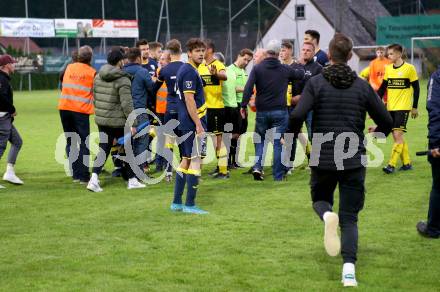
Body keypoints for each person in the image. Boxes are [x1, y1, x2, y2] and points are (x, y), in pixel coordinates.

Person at [290, 33, 393, 287]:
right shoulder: (361, 85)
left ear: (328, 53)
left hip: (323, 156)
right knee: (350, 218)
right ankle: (349, 271)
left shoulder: (315, 83)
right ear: (350, 56)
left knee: (320, 201)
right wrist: (377, 134)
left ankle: (326, 217)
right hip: (353, 158)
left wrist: (291, 137)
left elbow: (297, 115)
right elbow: (387, 121)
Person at [241, 40, 304, 181]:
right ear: (278, 52)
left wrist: (243, 105)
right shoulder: (285, 69)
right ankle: (278, 176)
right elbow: (300, 74)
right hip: (280, 112)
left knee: (260, 140)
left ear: (267, 51)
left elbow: (248, 88)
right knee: (277, 143)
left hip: (262, 111)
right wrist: (299, 65)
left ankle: (258, 167)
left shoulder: (257, 68)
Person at [87, 47, 145, 192]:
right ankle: (132, 180)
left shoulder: (98, 76)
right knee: (128, 148)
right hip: (118, 122)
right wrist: (133, 122)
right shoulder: (123, 79)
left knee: (104, 149)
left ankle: (93, 179)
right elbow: (127, 104)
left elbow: (95, 97)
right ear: (120, 61)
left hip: (102, 120)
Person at [171, 38, 208, 214]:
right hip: (192, 123)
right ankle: (190, 205)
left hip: (186, 122)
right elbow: (189, 99)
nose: (201, 53)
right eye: (197, 51)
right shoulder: (189, 72)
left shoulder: (187, 70)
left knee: (185, 159)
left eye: (203, 50)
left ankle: (177, 202)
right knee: (195, 160)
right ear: (189, 53)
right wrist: (199, 124)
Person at [377, 44, 420, 174]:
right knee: (398, 137)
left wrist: (414, 107)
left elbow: (417, 89)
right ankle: (407, 163)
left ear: (399, 54)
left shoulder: (409, 69)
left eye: (390, 54)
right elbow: (383, 88)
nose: (388, 56)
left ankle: (391, 164)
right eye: (388, 54)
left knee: (397, 134)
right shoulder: (388, 68)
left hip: (403, 108)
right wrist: (375, 101)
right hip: (391, 108)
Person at [58, 46, 96, 184]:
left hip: (64, 108)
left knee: (71, 141)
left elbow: (62, 80)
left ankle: (75, 174)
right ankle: (84, 176)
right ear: (90, 57)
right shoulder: (92, 72)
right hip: (80, 111)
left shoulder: (69, 67)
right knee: (84, 143)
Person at [154, 39, 185, 182]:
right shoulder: (187, 68)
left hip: (170, 108)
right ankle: (185, 169)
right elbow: (200, 85)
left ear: (169, 53)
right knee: (184, 139)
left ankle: (168, 170)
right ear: (180, 50)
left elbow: (153, 89)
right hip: (184, 108)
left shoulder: (164, 70)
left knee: (169, 139)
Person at [197, 39, 229, 179]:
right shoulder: (200, 66)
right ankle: (199, 169)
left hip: (216, 108)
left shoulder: (218, 64)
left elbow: (224, 76)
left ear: (209, 50)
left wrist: (215, 74)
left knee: (218, 140)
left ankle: (224, 171)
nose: (201, 52)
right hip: (203, 109)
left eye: (202, 49)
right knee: (202, 140)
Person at [122, 47, 154, 176]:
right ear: (138, 58)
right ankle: (138, 172)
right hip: (139, 111)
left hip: (123, 112)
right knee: (141, 141)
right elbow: (151, 88)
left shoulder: (121, 71)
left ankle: (127, 171)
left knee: (127, 142)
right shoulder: (143, 72)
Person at [416, 68, 440, 238]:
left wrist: (436, 142)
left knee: (439, 185)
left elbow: (435, 109)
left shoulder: (437, 77)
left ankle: (433, 228)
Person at [222, 49, 253, 169]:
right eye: (245, 59)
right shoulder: (230, 70)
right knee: (232, 133)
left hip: (243, 105)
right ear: (238, 56)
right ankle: (228, 161)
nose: (246, 62)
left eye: (248, 61)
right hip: (234, 106)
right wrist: (247, 89)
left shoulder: (243, 71)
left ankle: (234, 161)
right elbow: (232, 88)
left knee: (239, 133)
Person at [0, 54, 23, 186]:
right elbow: (1, 98)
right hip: (2, 117)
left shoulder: (4, 78)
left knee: (17, 141)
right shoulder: (2, 79)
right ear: (6, 66)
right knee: (0, 147)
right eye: (12, 63)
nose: (14, 65)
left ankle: (9, 173)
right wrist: (12, 109)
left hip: (5, 118)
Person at [154, 50, 171, 172]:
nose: (160, 61)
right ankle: (159, 164)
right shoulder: (158, 72)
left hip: (169, 111)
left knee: (168, 139)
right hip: (160, 111)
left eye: (163, 59)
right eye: (160, 58)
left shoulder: (171, 73)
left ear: (169, 60)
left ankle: (166, 164)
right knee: (161, 138)